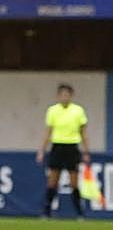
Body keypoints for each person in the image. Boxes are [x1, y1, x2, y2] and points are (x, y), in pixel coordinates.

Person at [36, 83, 90, 218]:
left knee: (74, 182)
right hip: (57, 147)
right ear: (58, 96)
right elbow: (48, 132)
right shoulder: (53, 110)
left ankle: (79, 213)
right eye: (62, 95)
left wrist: (86, 151)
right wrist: (42, 150)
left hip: (72, 147)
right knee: (52, 181)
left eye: (67, 95)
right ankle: (46, 212)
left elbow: (83, 133)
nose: (64, 97)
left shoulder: (78, 111)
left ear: (71, 96)